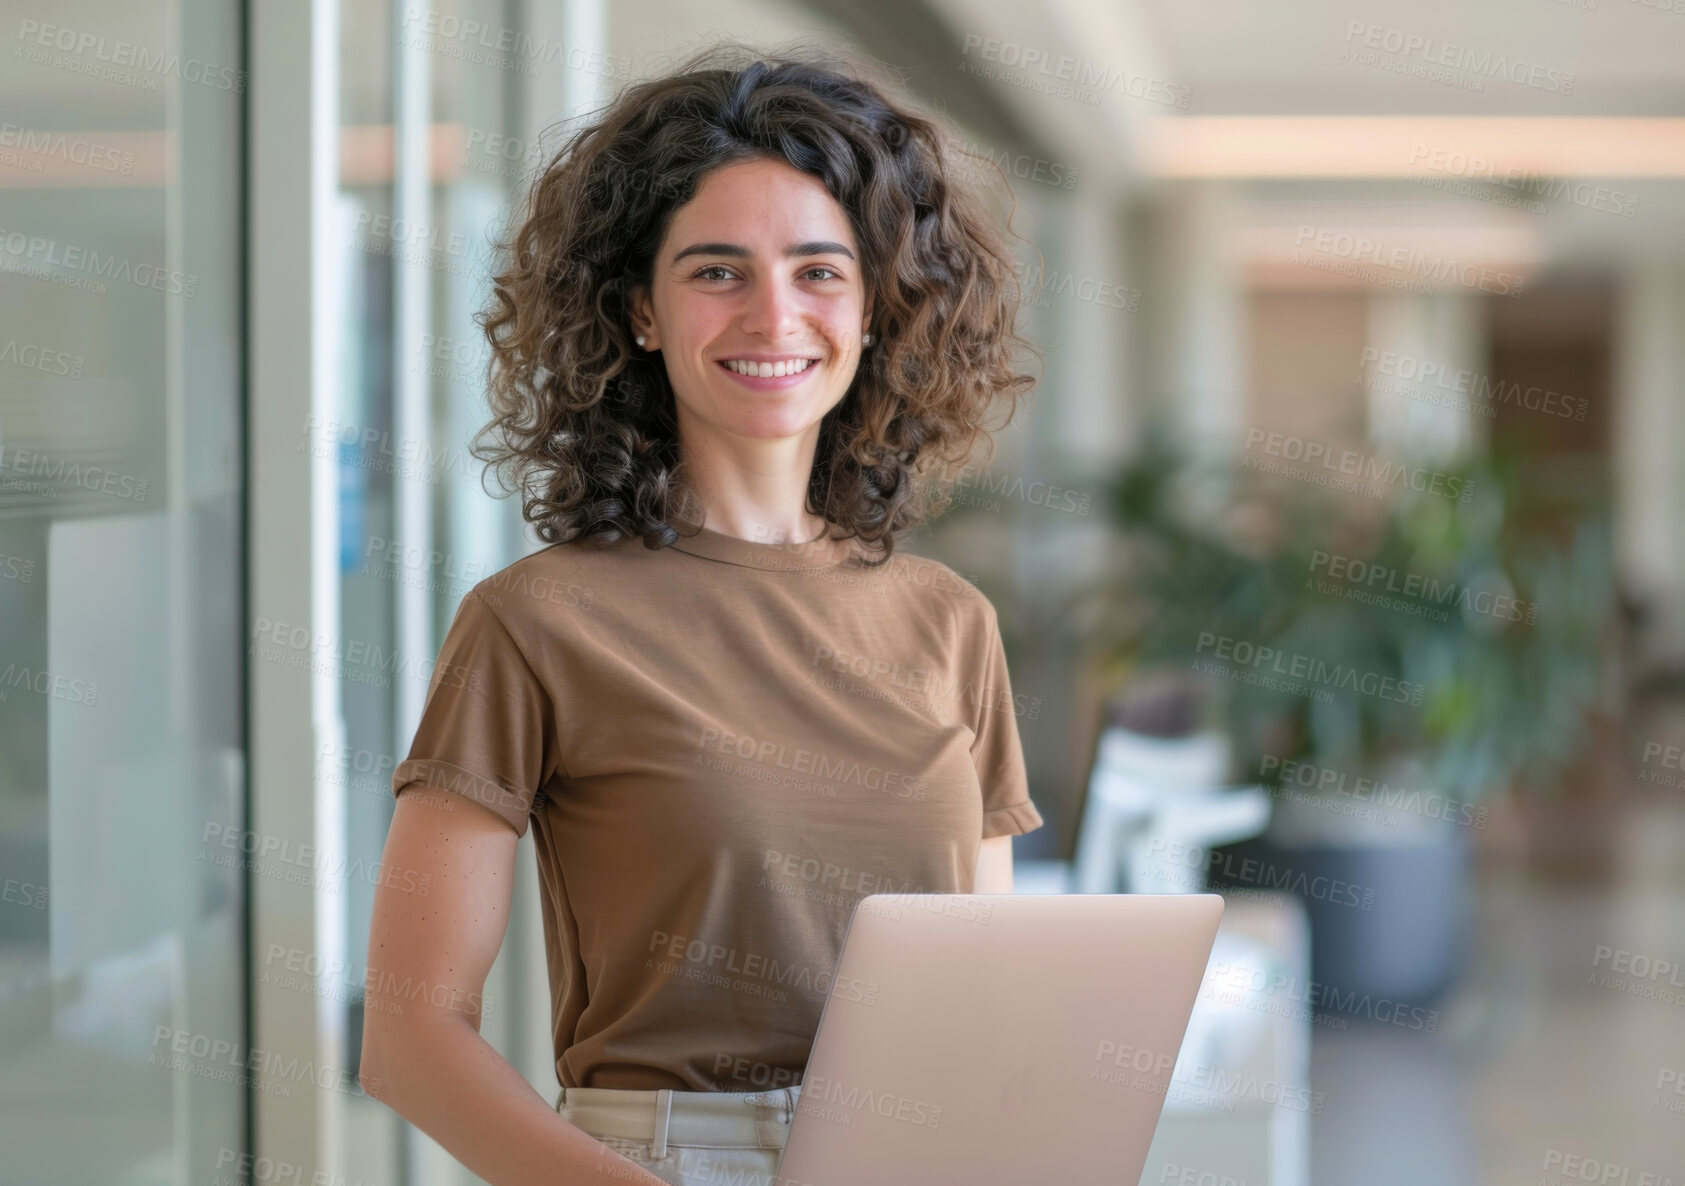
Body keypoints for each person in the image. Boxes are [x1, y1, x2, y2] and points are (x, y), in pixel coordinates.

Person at [359, 39, 1045, 1186]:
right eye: (717, 271)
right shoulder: (536, 622)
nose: (773, 314)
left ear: (875, 308)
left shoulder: (948, 623)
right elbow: (410, 1041)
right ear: (638, 309)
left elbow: (984, 987)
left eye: (819, 271)